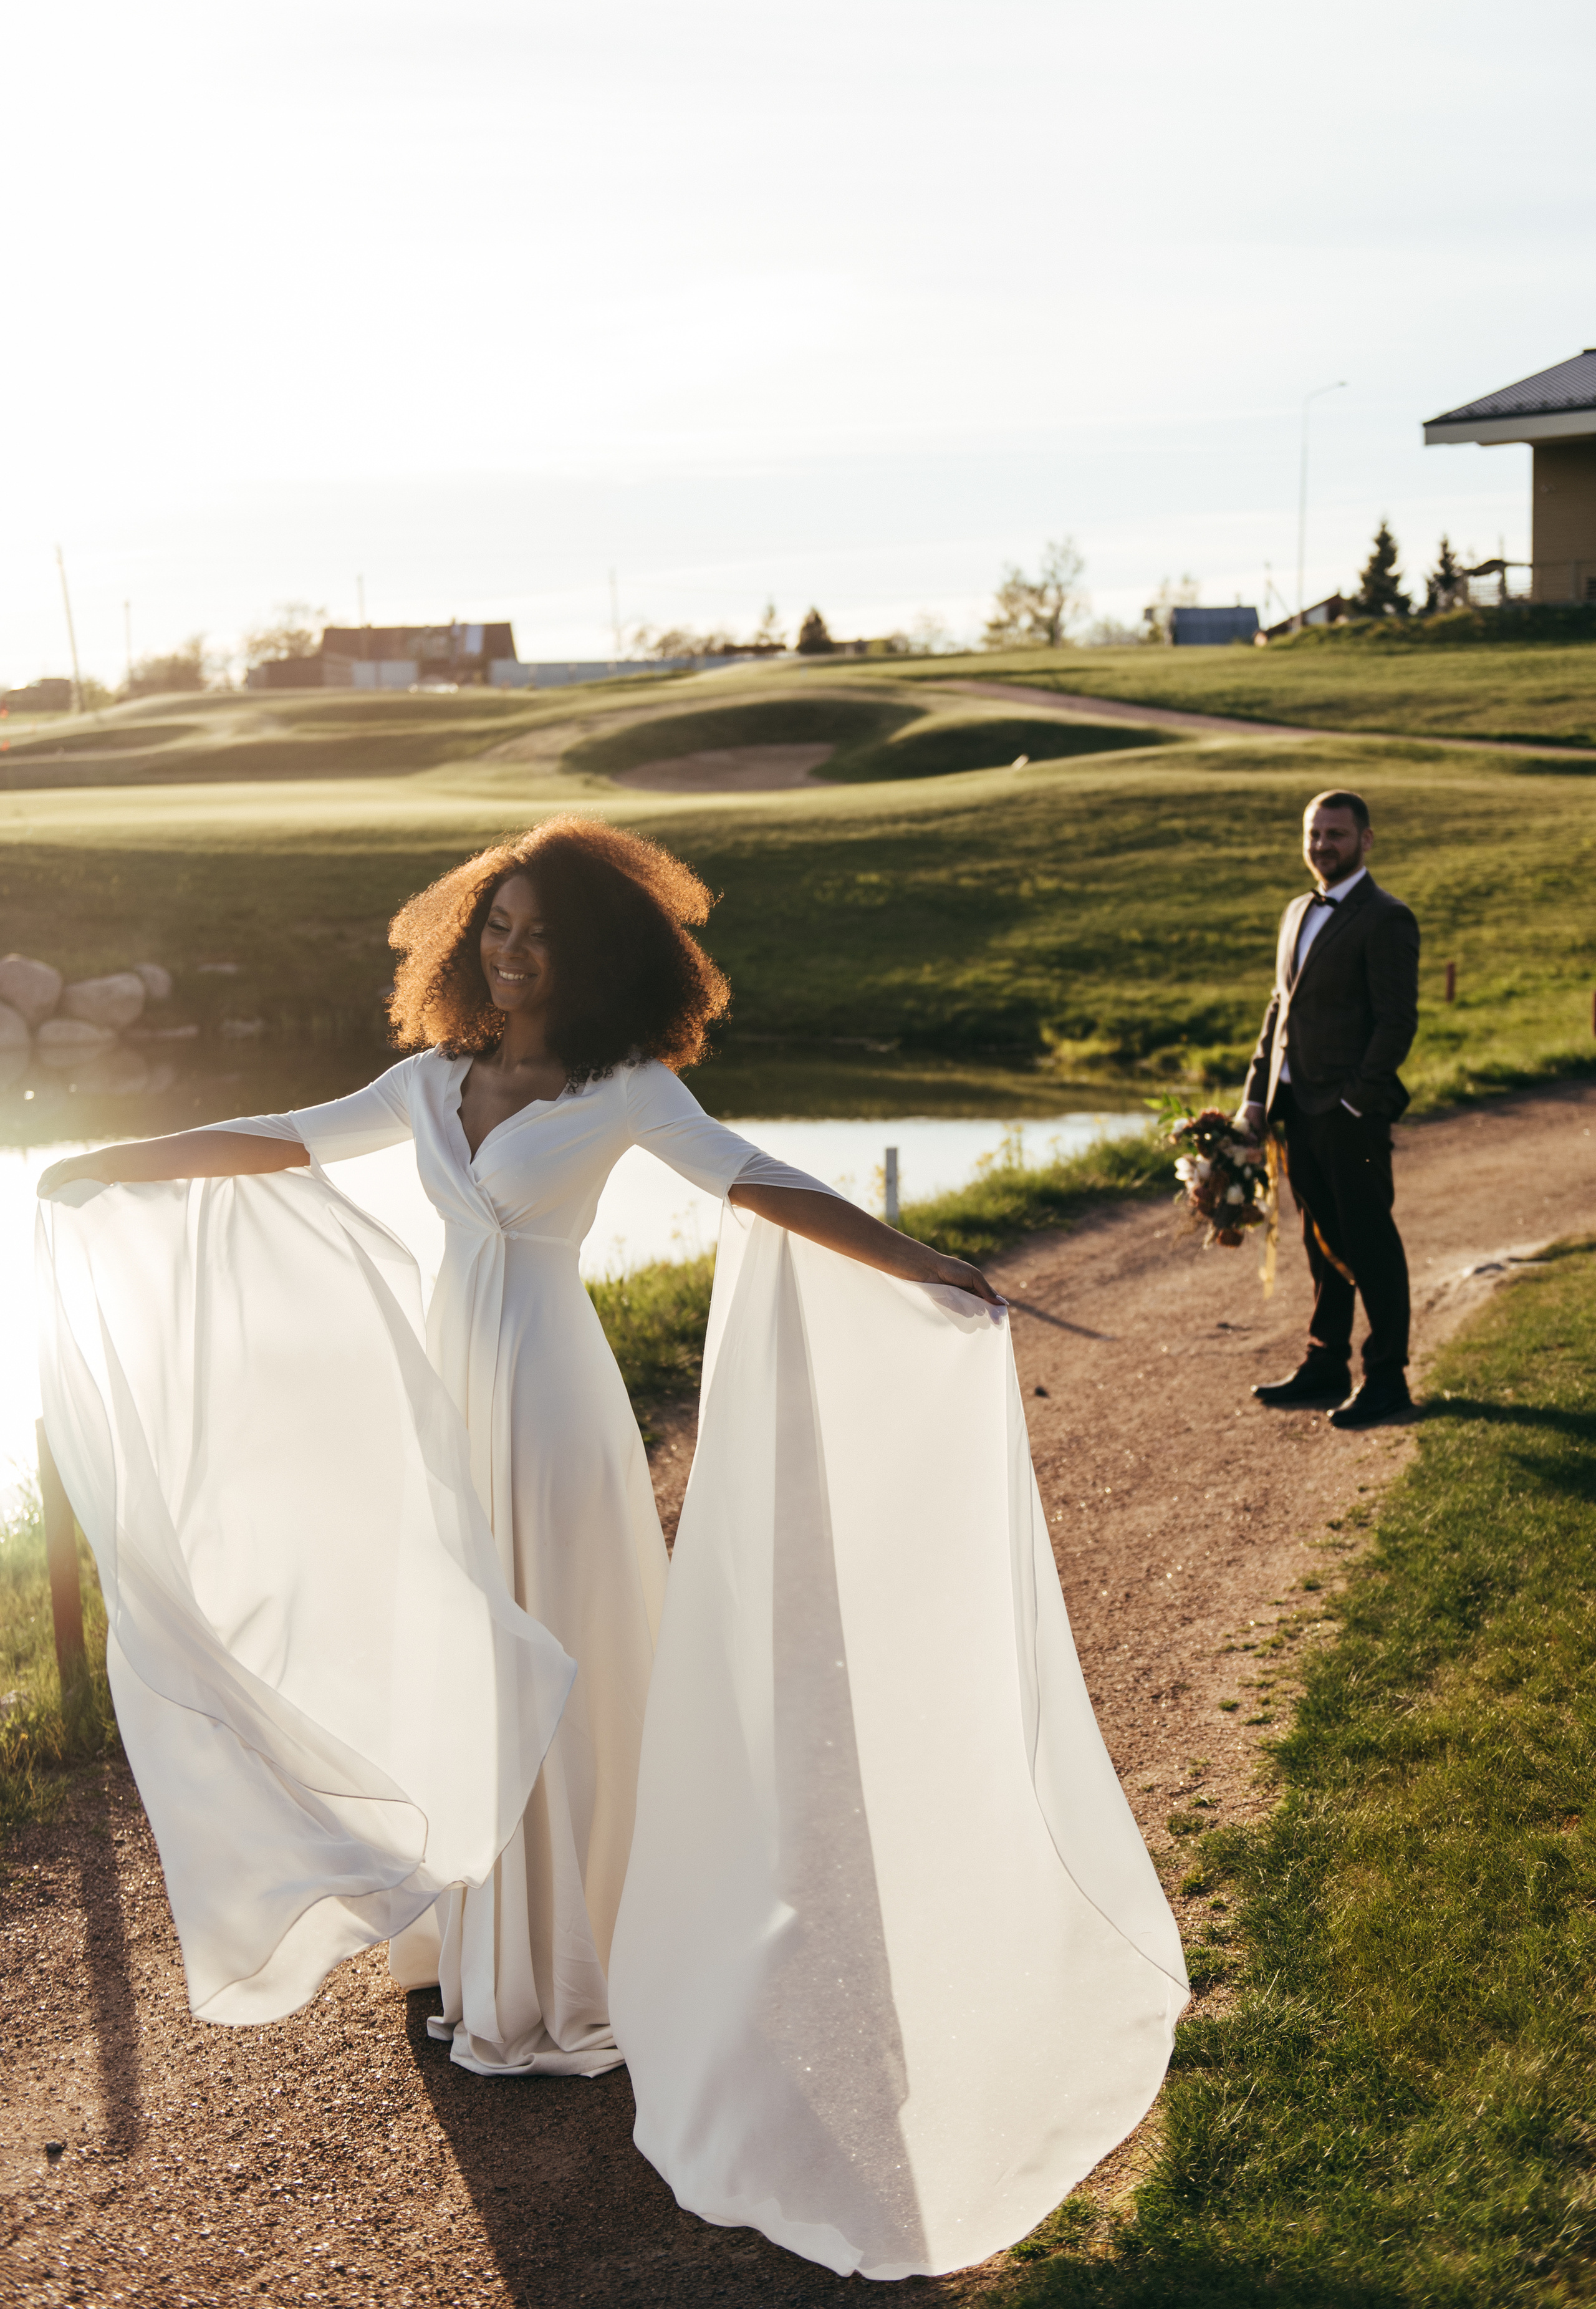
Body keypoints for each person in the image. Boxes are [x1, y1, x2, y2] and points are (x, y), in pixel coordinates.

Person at [36, 817, 1188, 2280]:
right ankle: (475, 1948)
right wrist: (107, 1162)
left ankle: (569, 1970)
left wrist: (921, 1262)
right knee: (457, 1649)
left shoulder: (625, 1086)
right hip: (448, 1396)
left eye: (539, 934)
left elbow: (754, 1179)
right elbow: (284, 1137)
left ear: (590, 956)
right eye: (497, 928)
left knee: (564, 1658)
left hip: (550, 1400)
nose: (513, 954)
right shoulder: (429, 1079)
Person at [1240, 789, 1420, 1429]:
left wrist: (1353, 1100)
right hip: (1295, 1107)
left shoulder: (1386, 917)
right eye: (1314, 834)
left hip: (1348, 1114)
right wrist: (1254, 1097)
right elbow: (1278, 1008)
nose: (1322, 846)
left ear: (1365, 840)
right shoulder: (1297, 910)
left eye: (1336, 835)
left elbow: (1397, 1022)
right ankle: (1325, 1363)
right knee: (1320, 1241)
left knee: (1368, 1240)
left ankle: (1388, 1378)